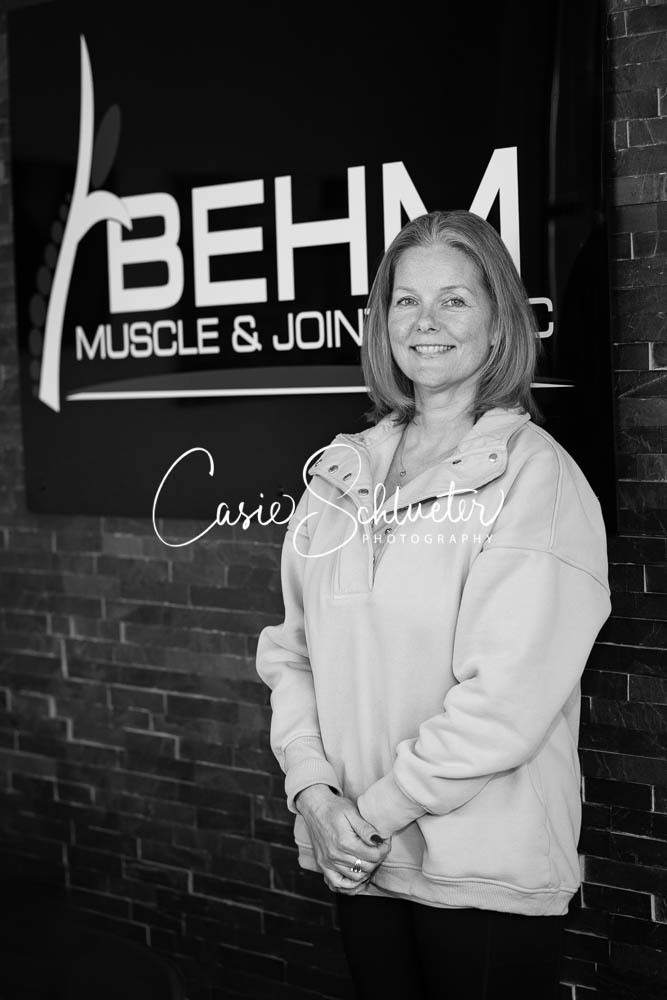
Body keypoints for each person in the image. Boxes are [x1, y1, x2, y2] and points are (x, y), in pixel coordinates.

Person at [255, 210, 611, 999]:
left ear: (498, 322)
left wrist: (371, 815)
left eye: (453, 300)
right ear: (381, 323)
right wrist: (313, 794)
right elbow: (292, 655)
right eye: (405, 301)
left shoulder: (534, 477)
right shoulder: (339, 473)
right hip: (359, 858)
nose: (425, 322)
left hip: (481, 877)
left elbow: (504, 699)